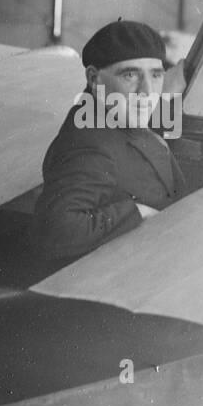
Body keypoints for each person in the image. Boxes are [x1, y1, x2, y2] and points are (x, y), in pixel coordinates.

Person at [30, 19, 186, 263]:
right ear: (94, 79)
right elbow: (57, 229)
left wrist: (170, 93)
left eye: (155, 75)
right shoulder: (90, 145)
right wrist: (137, 212)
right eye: (131, 75)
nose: (147, 90)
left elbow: (136, 134)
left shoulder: (107, 114)